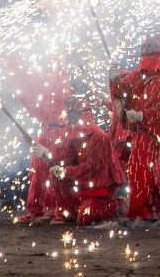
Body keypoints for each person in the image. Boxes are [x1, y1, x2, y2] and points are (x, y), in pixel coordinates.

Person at [120, 34, 160, 221]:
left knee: (141, 171)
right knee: (146, 171)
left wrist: (142, 115)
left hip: (152, 134)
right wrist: (113, 77)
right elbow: (121, 94)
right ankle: (156, 207)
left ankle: (141, 211)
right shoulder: (136, 76)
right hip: (139, 133)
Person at [11, 61, 72, 222]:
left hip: (57, 132)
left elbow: (37, 104)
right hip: (47, 131)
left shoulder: (59, 86)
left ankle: (53, 206)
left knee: (53, 168)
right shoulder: (46, 85)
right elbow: (34, 104)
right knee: (39, 170)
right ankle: (40, 208)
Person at [51, 101, 127, 226]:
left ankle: (116, 205)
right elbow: (64, 159)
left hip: (100, 187)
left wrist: (67, 171)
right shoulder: (76, 135)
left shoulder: (99, 137)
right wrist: (45, 154)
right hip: (83, 183)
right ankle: (69, 212)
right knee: (55, 174)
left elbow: (93, 169)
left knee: (87, 216)